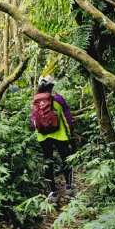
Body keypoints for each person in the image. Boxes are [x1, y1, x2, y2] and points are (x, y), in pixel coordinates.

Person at [31, 75, 75, 204]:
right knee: (66, 160)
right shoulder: (58, 99)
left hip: (43, 137)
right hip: (60, 135)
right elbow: (67, 119)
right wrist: (70, 134)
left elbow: (33, 122)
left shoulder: (36, 101)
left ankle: (52, 193)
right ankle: (69, 187)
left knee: (48, 162)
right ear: (51, 86)